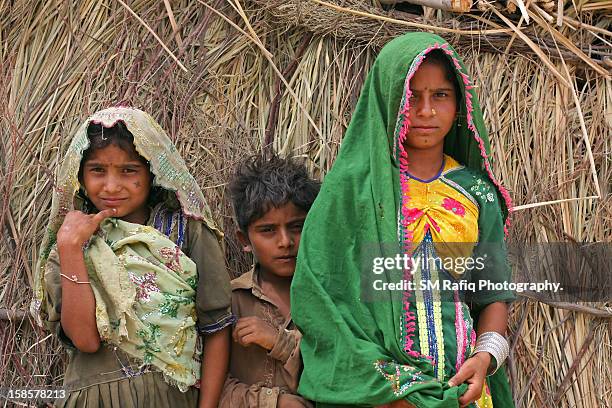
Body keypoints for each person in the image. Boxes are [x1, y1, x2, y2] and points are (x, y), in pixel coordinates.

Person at [291, 33, 516, 407]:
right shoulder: (351, 193)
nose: (426, 110)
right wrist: (394, 392)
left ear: (460, 103)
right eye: (413, 96)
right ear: (389, 99)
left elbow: (493, 293)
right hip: (377, 394)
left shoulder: (477, 191)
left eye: (440, 94)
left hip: (463, 392)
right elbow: (322, 301)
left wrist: (484, 358)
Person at [31, 107, 233, 408]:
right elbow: (85, 340)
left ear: (152, 173)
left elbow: (216, 327)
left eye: (128, 171)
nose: (112, 186)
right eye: (98, 170)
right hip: (92, 399)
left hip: (169, 397)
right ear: (80, 176)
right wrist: (72, 250)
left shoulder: (185, 231)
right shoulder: (72, 241)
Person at [219, 155, 320, 408]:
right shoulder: (228, 302)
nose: (285, 241)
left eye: (297, 226)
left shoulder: (330, 298)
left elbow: (342, 372)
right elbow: (207, 385)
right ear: (244, 240)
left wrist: (279, 342)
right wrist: (275, 403)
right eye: (268, 230)